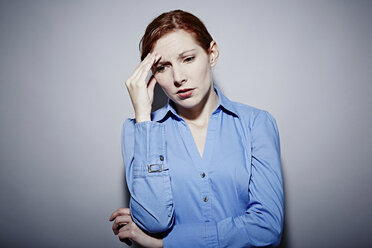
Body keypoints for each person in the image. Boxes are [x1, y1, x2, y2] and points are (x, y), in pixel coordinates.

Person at [109, 9, 284, 248]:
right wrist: (142, 115)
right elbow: (155, 221)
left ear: (212, 54)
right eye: (162, 67)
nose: (178, 77)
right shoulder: (138, 131)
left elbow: (266, 229)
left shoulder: (256, 124)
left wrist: (164, 244)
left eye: (188, 59)